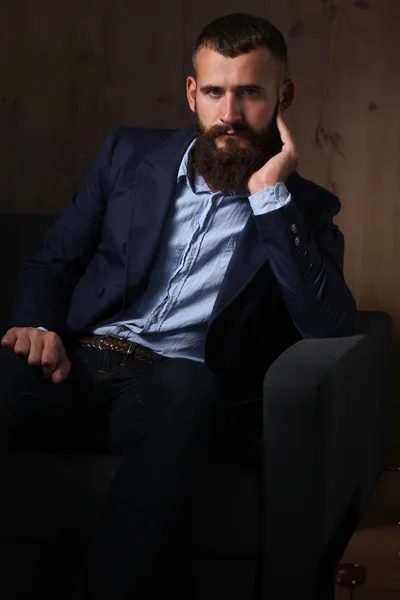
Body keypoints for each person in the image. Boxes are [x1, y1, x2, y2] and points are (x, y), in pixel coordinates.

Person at [0, 12, 356, 600]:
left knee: (191, 388)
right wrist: (37, 324)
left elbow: (329, 323)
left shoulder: (305, 209)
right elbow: (54, 261)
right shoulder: (127, 155)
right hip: (74, 364)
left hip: (169, 392)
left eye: (250, 94)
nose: (230, 115)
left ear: (282, 97)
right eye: (214, 92)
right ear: (192, 92)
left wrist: (271, 198)